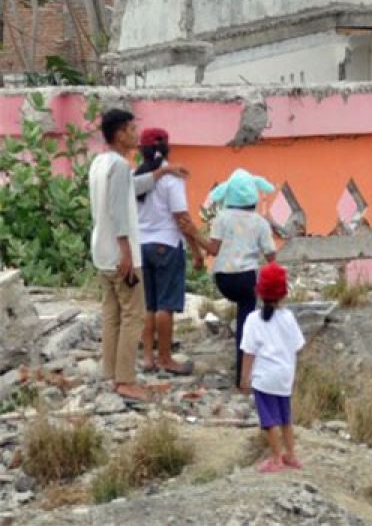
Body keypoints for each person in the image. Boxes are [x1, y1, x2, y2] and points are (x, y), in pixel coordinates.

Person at [88, 109, 186, 403]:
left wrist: (164, 171)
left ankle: (111, 372)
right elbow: (119, 210)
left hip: (101, 250)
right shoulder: (118, 165)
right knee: (133, 315)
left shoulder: (100, 163)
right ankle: (126, 380)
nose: (135, 136)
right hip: (121, 253)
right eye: (131, 130)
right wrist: (127, 253)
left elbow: (133, 187)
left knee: (112, 314)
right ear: (120, 134)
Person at [135, 127, 208, 375]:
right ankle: (165, 358)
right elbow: (182, 218)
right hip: (166, 244)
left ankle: (147, 358)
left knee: (148, 305)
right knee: (166, 305)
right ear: (167, 148)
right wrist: (197, 250)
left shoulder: (137, 177)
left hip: (140, 246)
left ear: (141, 150)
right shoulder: (172, 178)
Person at [205, 168, 277, 388]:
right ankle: (244, 379)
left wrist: (195, 238)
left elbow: (213, 249)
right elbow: (271, 255)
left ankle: (242, 377)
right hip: (247, 279)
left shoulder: (221, 219)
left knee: (240, 312)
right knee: (247, 325)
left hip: (223, 279)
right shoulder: (260, 223)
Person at [240, 261, 305, 473]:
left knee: (269, 421)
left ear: (259, 291)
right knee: (286, 418)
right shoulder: (288, 318)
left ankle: (276, 457)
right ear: (283, 293)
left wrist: (244, 379)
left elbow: (248, 352)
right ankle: (292, 456)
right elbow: (297, 346)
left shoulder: (252, 320)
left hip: (264, 379)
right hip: (285, 377)